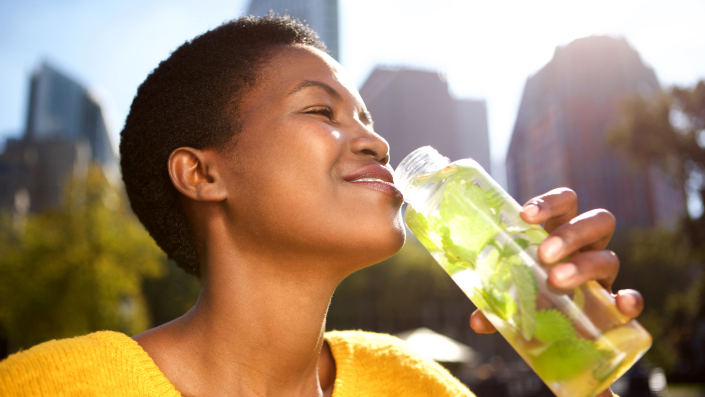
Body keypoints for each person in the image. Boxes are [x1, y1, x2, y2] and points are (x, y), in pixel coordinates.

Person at [0, 15, 643, 397]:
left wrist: (586, 377)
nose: (376, 139)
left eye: (366, 115)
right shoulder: (50, 386)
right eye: (320, 111)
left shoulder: (409, 384)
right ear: (201, 173)